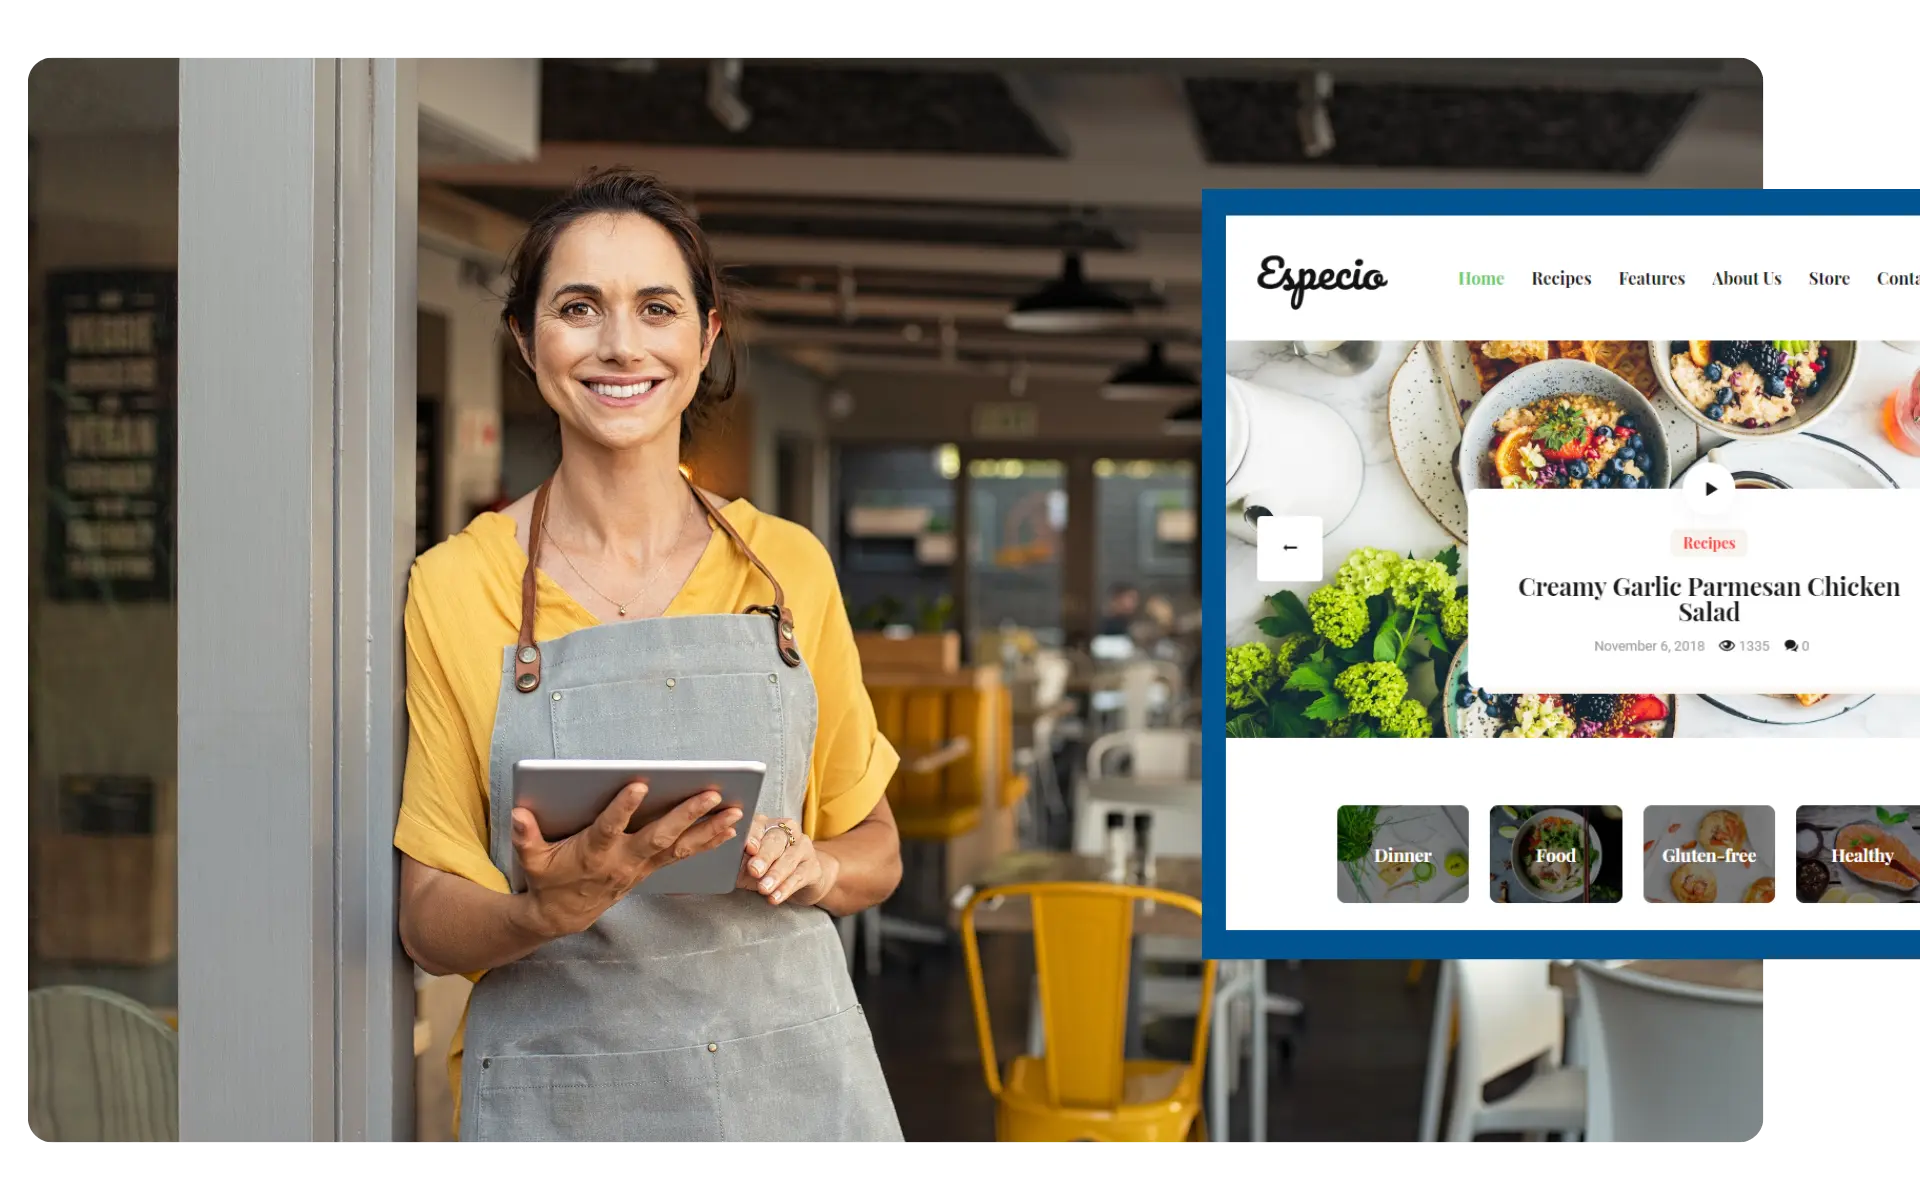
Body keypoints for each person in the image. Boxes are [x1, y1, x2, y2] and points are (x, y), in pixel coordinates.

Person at [394, 168, 905, 1143]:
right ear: (525, 339)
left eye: (656, 308)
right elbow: (427, 915)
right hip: (562, 1095)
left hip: (788, 1088)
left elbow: (875, 847)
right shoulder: (458, 586)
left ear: (704, 338)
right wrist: (547, 909)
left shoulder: (789, 568)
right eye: (578, 307)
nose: (620, 344)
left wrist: (818, 868)